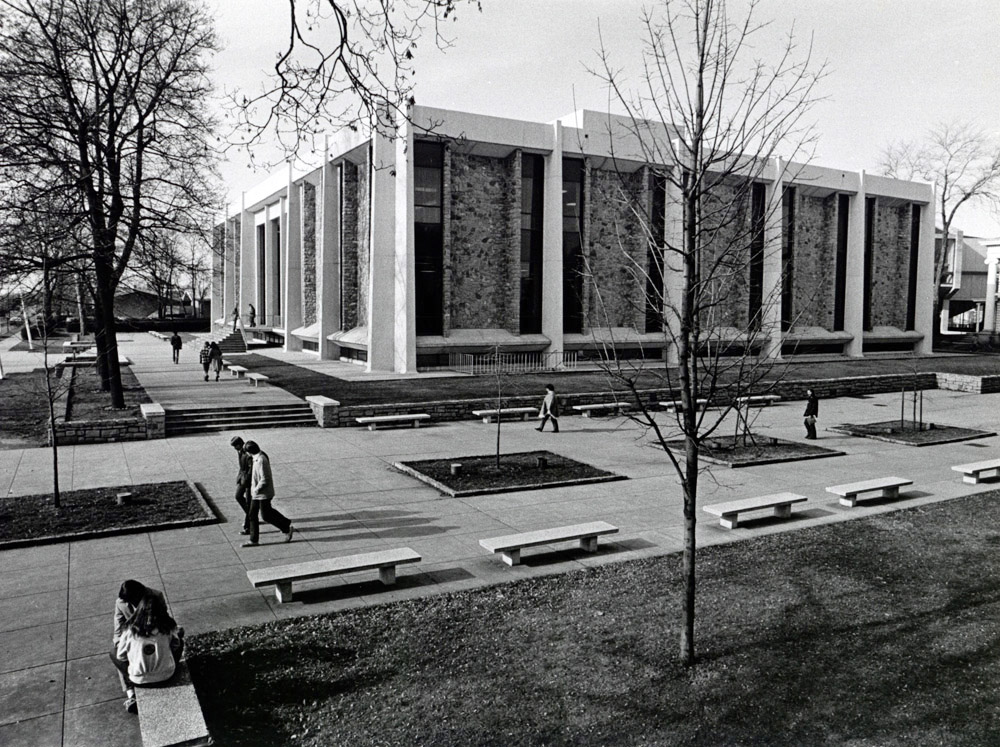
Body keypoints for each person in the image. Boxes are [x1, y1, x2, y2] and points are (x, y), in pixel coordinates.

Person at [111, 590, 184, 714]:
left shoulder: (129, 630)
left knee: (113, 652)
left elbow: (121, 656)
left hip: (139, 680)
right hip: (166, 676)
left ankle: (130, 688)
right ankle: (169, 665)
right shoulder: (168, 625)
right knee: (180, 641)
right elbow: (176, 645)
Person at [242, 440, 294, 547]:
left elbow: (265, 479)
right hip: (256, 493)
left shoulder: (261, 460)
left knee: (266, 515)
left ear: (250, 451)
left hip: (263, 493)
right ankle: (253, 540)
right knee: (252, 515)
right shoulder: (255, 458)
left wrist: (256, 489)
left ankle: (286, 527)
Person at [230, 436, 252, 535]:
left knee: (249, 502)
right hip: (242, 478)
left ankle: (248, 526)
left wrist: (246, 478)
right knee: (238, 496)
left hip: (249, 481)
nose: (235, 448)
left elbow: (251, 469)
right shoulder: (240, 452)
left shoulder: (247, 454)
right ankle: (252, 516)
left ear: (240, 444)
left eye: (236, 446)